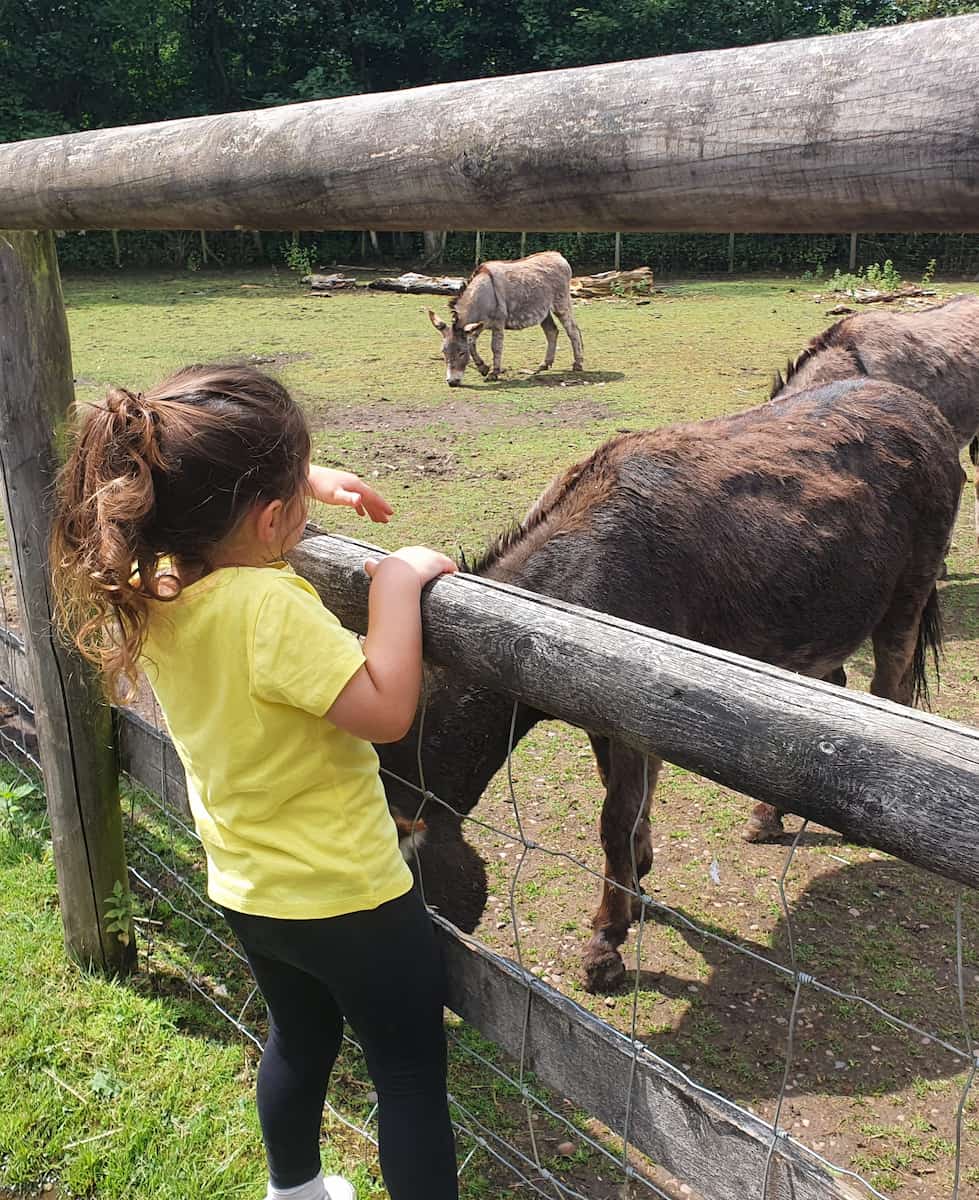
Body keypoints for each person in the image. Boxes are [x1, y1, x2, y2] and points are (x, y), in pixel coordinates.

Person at [50, 364, 460, 1200]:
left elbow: (186, 507)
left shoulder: (153, 582)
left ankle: (296, 1191)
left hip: (250, 889)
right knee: (409, 1076)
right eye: (294, 504)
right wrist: (394, 581)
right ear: (270, 518)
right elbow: (384, 711)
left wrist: (295, 477)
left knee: (298, 1041)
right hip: (351, 895)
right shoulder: (270, 608)